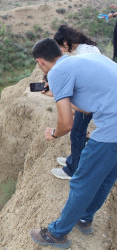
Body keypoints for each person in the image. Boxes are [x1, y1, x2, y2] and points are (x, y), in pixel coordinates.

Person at [30, 38, 117, 248]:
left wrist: (54, 133)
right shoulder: (85, 59)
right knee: (106, 178)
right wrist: (58, 94)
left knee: (81, 181)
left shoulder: (56, 72)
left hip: (112, 131)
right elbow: (90, 107)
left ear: (40, 61)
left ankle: (57, 233)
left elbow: (66, 123)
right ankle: (85, 218)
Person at [50, 25, 101, 180]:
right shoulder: (87, 49)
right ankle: (74, 159)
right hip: (91, 98)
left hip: (91, 100)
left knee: (77, 132)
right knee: (78, 132)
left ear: (65, 42)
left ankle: (73, 170)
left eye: (60, 47)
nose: (62, 51)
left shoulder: (84, 55)